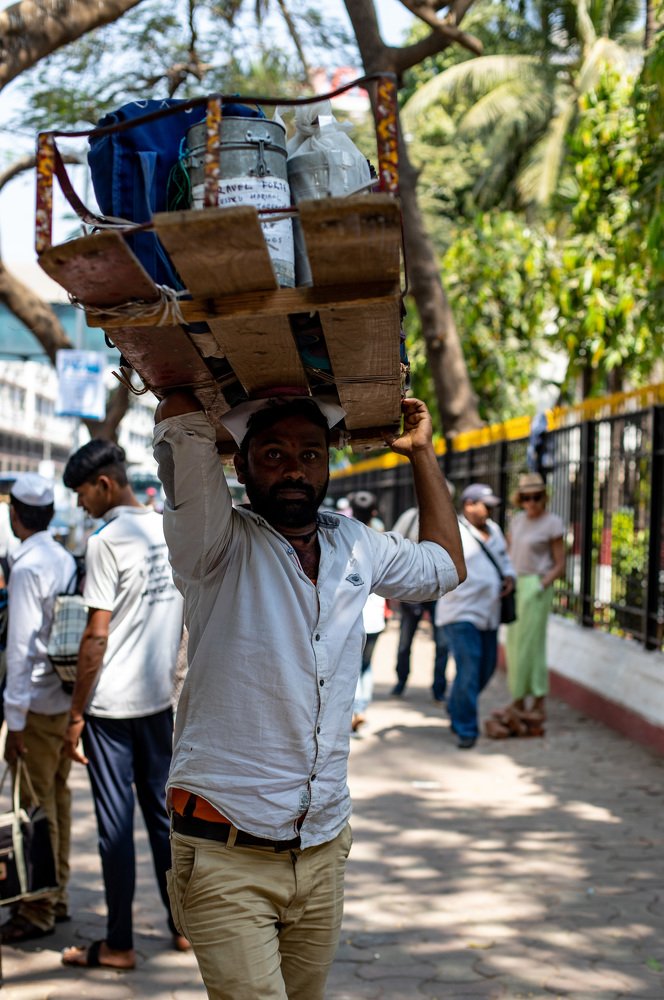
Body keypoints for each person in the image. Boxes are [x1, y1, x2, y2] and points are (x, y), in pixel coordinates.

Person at [151, 390, 466, 1000]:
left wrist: (421, 453)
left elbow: (444, 566)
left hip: (322, 848)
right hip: (226, 853)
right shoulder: (214, 544)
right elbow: (183, 418)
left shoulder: (354, 544)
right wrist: (182, 384)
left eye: (309, 454)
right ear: (240, 467)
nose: (294, 468)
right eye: (272, 454)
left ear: (328, 464)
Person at [59, 440, 186, 971]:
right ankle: (184, 929)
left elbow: (95, 637)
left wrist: (75, 714)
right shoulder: (167, 529)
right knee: (162, 820)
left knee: (115, 826)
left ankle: (117, 944)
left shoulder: (106, 540)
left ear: (104, 484)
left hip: (111, 709)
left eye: (82, 493)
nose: (81, 505)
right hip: (159, 702)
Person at [0, 473, 77, 942]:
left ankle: (38, 907)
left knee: (35, 805)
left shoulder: (29, 567)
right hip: (61, 702)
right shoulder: (61, 556)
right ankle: (58, 892)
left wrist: (14, 722)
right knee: (58, 801)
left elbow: (21, 649)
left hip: (35, 706)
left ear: (16, 515)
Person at [435, 483, 515, 749]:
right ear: (468, 504)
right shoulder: (453, 531)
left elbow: (505, 561)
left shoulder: (494, 530)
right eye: (485, 505)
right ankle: (466, 728)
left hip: (489, 612)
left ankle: (457, 704)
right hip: (460, 611)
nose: (489, 510)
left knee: (487, 667)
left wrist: (509, 578)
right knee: (468, 668)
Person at [503, 471, 565, 719]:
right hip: (516, 583)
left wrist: (541, 585)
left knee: (532, 645)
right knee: (513, 645)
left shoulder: (553, 523)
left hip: (536, 585)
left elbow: (560, 563)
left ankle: (537, 698)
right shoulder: (517, 521)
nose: (531, 503)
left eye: (536, 497)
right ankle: (517, 697)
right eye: (526, 498)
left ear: (544, 497)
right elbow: (508, 551)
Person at [390, 504, 450, 702]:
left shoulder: (450, 519)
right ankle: (401, 680)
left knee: (442, 644)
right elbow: (395, 547)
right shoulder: (411, 515)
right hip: (413, 589)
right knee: (405, 641)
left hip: (440, 591)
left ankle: (439, 688)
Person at [347, 492, 385, 735]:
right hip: (375, 614)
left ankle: (356, 710)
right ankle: (361, 708)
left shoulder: (344, 536)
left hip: (354, 614)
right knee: (366, 665)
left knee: (353, 663)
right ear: (374, 512)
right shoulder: (381, 536)